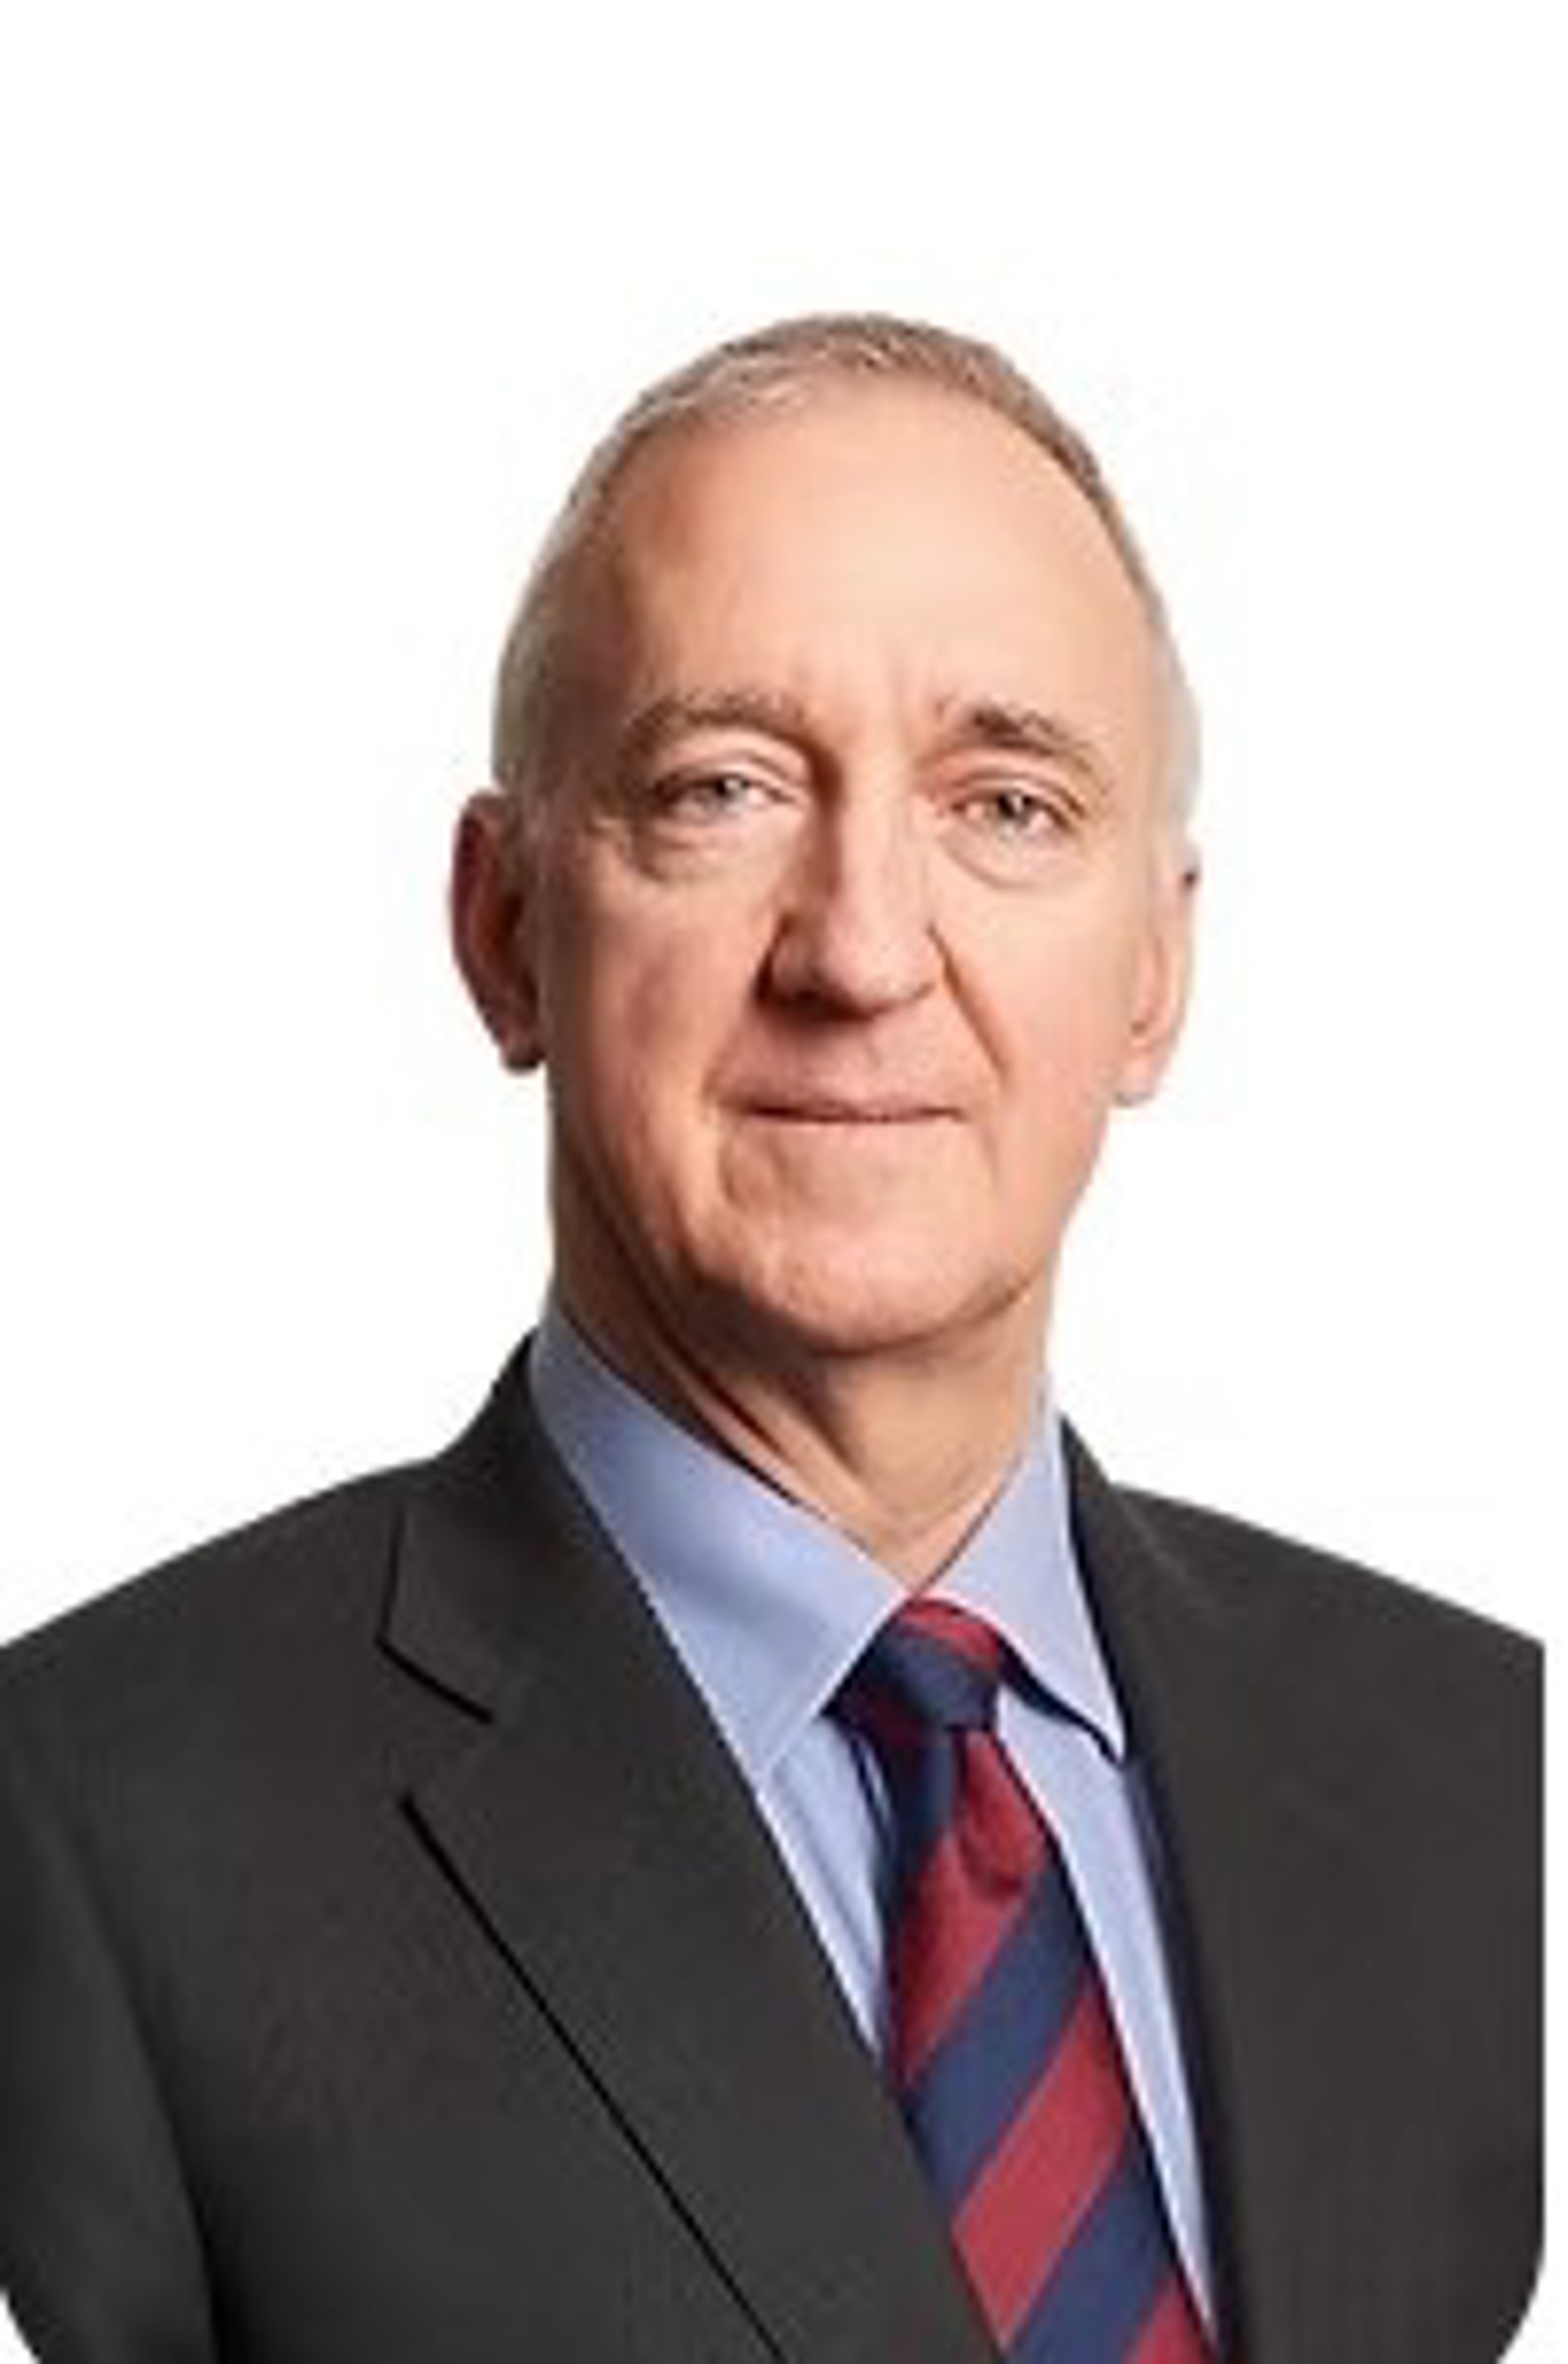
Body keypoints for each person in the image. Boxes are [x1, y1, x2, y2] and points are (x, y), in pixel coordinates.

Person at [0, 314, 1539, 2364]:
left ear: (1156, 970)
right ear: (505, 929)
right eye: (720, 788)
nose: (865, 949)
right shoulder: (83, 1828)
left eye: (1008, 805)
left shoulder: (1494, 1780)